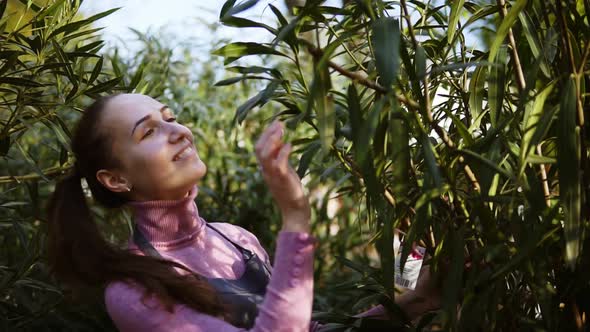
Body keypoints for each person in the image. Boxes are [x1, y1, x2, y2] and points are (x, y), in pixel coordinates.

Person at [47, 93, 438, 332]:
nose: (179, 131)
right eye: (147, 132)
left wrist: (417, 301)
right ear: (115, 179)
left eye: (170, 118)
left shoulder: (236, 239)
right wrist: (295, 218)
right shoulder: (134, 291)